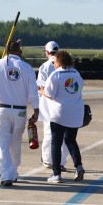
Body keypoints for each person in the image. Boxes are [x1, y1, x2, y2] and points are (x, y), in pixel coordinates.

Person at [0, 40, 39, 187]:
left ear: (6, 51)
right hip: (19, 111)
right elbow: (33, 93)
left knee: (2, 144)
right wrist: (36, 110)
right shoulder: (27, 68)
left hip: (0, 110)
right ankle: (13, 171)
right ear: (19, 52)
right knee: (15, 143)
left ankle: (7, 175)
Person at [38, 50, 85, 183]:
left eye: (54, 62)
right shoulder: (76, 73)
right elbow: (80, 86)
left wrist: (41, 91)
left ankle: (56, 174)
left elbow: (50, 94)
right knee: (70, 140)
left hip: (59, 113)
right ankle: (79, 166)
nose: (53, 64)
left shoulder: (56, 74)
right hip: (75, 113)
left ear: (59, 61)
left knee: (56, 142)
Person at [37, 41, 69, 172]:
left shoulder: (44, 67)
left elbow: (40, 87)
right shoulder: (65, 65)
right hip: (63, 105)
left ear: (47, 52)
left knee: (48, 134)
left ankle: (47, 160)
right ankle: (61, 162)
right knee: (64, 135)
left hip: (48, 105)